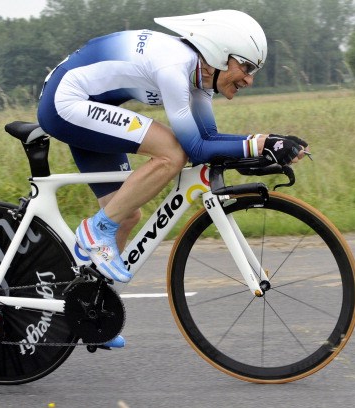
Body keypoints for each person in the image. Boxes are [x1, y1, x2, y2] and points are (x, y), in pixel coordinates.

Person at [37, 10, 308, 347]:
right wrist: (259, 143)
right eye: (247, 67)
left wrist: (265, 147)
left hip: (86, 103)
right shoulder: (174, 67)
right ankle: (94, 231)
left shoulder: (200, 78)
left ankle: (90, 312)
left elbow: (210, 138)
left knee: (127, 212)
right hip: (67, 103)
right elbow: (194, 148)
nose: (249, 79)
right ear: (219, 54)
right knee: (171, 154)